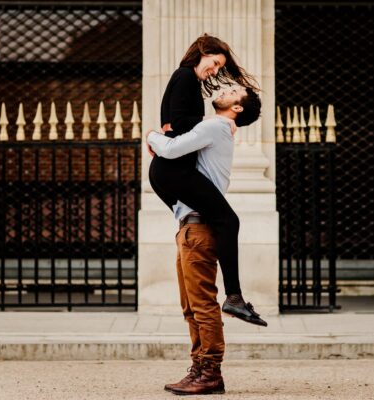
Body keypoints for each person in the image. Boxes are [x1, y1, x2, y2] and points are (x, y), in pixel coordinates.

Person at [146, 85, 262, 396]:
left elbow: (169, 149)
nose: (225, 89)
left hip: (198, 230)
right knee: (190, 306)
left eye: (234, 91)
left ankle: (210, 370)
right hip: (189, 228)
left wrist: (152, 136)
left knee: (202, 305)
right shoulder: (214, 129)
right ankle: (198, 368)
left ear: (237, 108)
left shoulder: (216, 125)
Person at [149, 33, 264, 326]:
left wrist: (171, 133)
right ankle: (234, 297)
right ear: (202, 52)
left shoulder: (188, 80)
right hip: (174, 170)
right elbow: (179, 124)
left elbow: (175, 125)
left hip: (169, 172)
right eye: (213, 63)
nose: (214, 71)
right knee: (229, 220)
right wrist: (212, 123)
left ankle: (235, 297)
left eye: (218, 67)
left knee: (216, 218)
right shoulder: (185, 77)